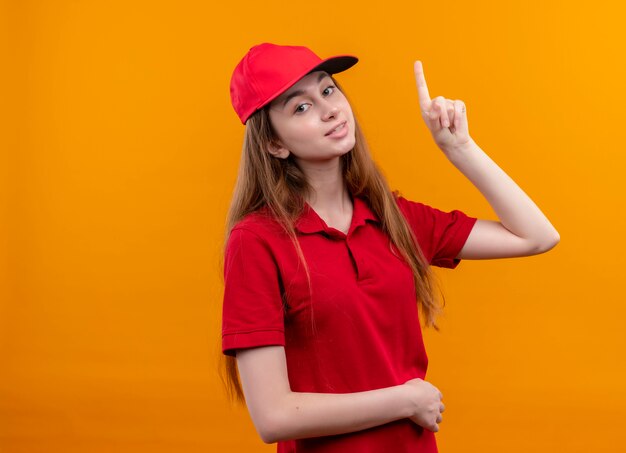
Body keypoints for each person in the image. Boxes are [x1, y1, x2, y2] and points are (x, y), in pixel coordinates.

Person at [220, 43, 559, 452]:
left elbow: (537, 236)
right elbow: (273, 416)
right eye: (301, 108)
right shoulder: (257, 241)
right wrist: (405, 400)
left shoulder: (393, 218)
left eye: (328, 91)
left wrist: (459, 149)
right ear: (275, 145)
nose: (329, 109)